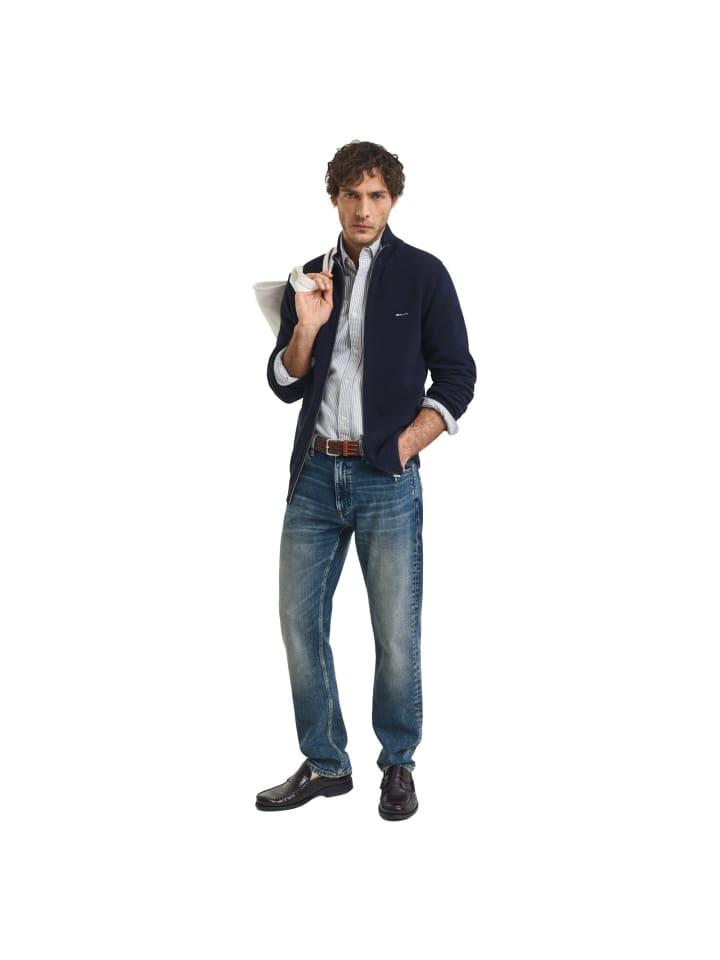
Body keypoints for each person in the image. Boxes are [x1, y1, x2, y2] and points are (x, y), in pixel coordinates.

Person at [255, 140, 476, 820]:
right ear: (334, 198)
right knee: (298, 622)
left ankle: (398, 763)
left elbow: (458, 376)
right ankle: (326, 763)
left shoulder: (423, 274)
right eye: (351, 194)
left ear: (393, 200)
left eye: (376, 195)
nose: (362, 208)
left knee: (395, 631)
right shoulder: (311, 278)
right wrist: (306, 328)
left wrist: (406, 445)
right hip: (315, 471)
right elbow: (285, 381)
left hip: (386, 476)